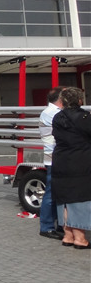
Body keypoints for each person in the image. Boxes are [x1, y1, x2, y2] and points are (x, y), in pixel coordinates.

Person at [51, 87, 91, 249]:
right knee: (79, 199)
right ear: (79, 100)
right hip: (80, 161)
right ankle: (80, 238)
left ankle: (68, 235)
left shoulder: (57, 117)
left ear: (62, 101)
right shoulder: (84, 117)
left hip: (60, 160)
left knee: (64, 199)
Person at [38, 86, 65, 240]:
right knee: (51, 193)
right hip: (54, 158)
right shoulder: (51, 113)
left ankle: (59, 224)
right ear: (61, 98)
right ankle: (47, 227)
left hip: (57, 157)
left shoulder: (54, 112)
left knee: (58, 193)